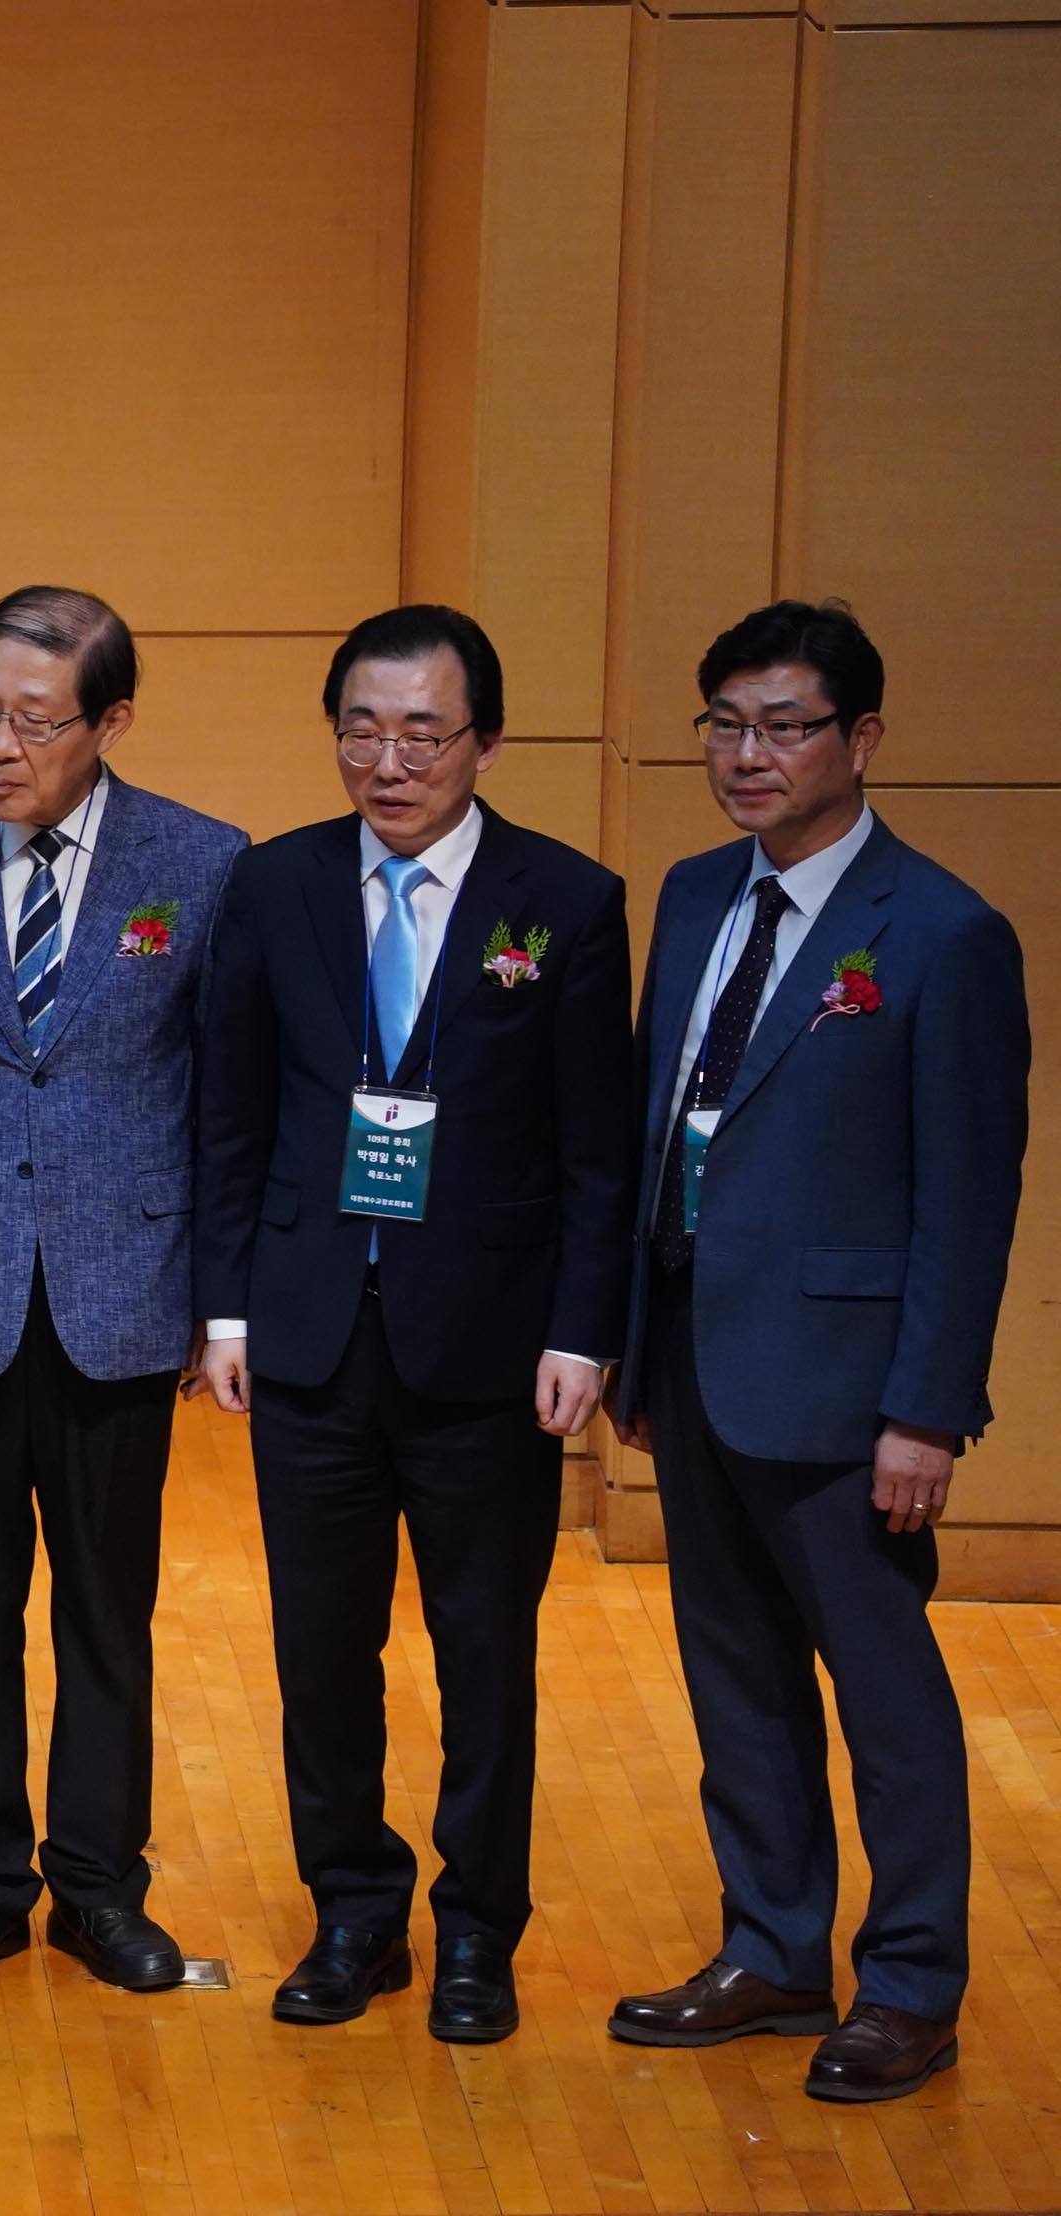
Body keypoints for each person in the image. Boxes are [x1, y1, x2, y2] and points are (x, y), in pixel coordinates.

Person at [192, 606, 634, 2042]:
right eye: (361, 730)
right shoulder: (276, 886)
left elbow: (595, 1149)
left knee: (482, 1649)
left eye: (423, 733)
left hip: (490, 1347)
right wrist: (228, 1302)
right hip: (312, 1330)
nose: (388, 762)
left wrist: (583, 1326)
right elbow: (234, 1113)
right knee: (322, 1648)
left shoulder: (564, 901)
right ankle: (354, 1913)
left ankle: (477, 1933)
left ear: (486, 745)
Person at [605, 600, 1024, 2104]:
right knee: (736, 1680)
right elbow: (669, 1141)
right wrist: (639, 1348)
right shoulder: (697, 894)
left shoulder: (946, 933)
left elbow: (970, 1198)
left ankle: (910, 1983)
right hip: (703, 1364)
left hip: (852, 1397)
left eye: (785, 725)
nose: (748, 754)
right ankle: (774, 1948)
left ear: (862, 741)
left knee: (884, 1693)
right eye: (726, 721)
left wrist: (929, 1408)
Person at [0, 585, 247, 1995]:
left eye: (33, 719)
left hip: (121, 1286)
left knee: (104, 1611)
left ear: (111, 722)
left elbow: (223, 1098)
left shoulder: (200, 864)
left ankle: (98, 1885)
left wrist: (222, 1304)